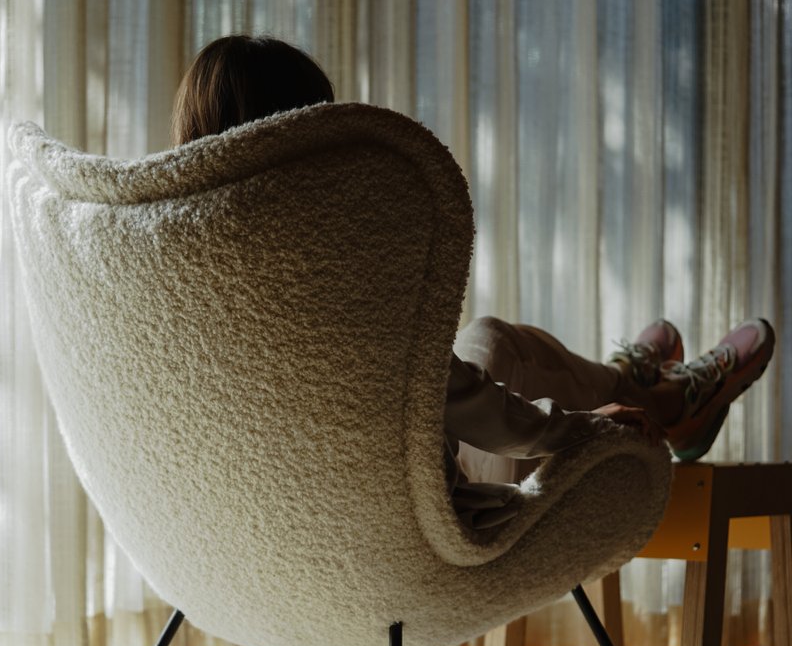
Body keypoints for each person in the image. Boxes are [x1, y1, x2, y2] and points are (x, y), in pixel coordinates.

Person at [171, 34, 775, 528]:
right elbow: (455, 397)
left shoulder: (169, 284)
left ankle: (643, 384)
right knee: (493, 341)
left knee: (485, 346)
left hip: (233, 551)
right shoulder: (320, 271)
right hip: (407, 542)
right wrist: (583, 426)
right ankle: (659, 398)